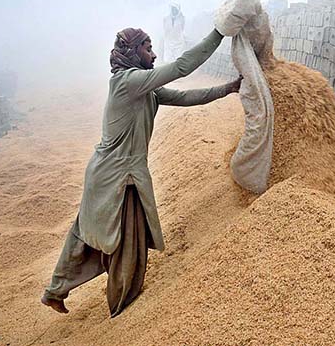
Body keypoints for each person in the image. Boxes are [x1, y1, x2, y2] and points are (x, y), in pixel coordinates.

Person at [41, 25, 241, 317]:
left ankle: (55, 291)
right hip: (118, 177)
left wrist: (228, 89)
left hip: (112, 173)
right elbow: (182, 66)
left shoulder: (143, 87)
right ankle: (122, 312)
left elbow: (184, 98)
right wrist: (220, 32)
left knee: (86, 232)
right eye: (148, 48)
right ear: (133, 53)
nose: (154, 53)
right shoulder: (128, 82)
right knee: (128, 243)